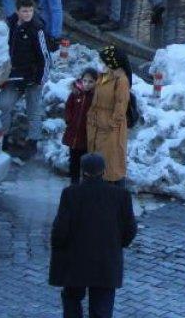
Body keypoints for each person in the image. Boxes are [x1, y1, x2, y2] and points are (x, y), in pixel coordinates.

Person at [48, 152, 138, 318]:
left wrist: (58, 248)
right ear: (103, 171)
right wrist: (116, 244)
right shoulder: (121, 196)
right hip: (106, 262)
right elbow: (130, 229)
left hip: (75, 261)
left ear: (83, 172)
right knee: (102, 308)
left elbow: (60, 230)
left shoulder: (70, 194)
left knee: (72, 300)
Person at [0, 0, 52, 161]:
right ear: (18, 11)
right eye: (24, 11)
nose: (28, 14)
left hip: (33, 76)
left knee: (33, 110)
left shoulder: (37, 29)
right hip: (15, 74)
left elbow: (46, 58)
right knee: (4, 105)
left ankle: (32, 142)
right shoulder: (14, 23)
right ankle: (4, 136)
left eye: (30, 10)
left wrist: (39, 80)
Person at [87, 46, 131, 186]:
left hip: (110, 129)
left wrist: (110, 124)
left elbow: (120, 105)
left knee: (112, 164)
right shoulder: (103, 77)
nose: (101, 63)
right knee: (98, 162)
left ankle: (114, 194)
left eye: (103, 61)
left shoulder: (121, 80)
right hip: (97, 126)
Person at [63, 69, 97, 184]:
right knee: (73, 160)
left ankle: (85, 185)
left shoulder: (95, 96)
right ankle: (74, 183)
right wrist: (69, 119)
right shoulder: (76, 93)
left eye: (90, 82)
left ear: (96, 82)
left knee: (85, 161)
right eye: (85, 81)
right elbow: (68, 107)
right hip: (73, 133)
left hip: (86, 135)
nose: (87, 84)